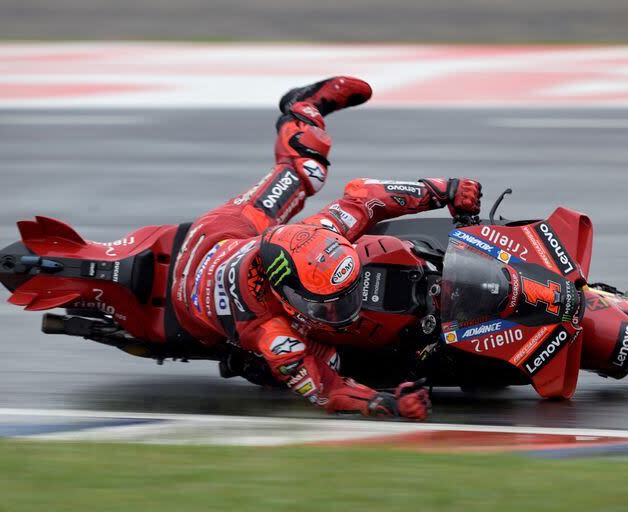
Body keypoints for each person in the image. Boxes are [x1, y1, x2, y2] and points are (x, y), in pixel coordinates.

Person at [171, 77, 482, 420]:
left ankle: (302, 107)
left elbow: (367, 196)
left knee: (308, 170)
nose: (346, 309)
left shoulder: (319, 232)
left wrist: (445, 190)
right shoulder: (272, 333)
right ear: (287, 295)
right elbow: (327, 390)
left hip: (230, 234)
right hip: (201, 290)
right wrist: (387, 403)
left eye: (344, 296)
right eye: (326, 306)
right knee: (326, 362)